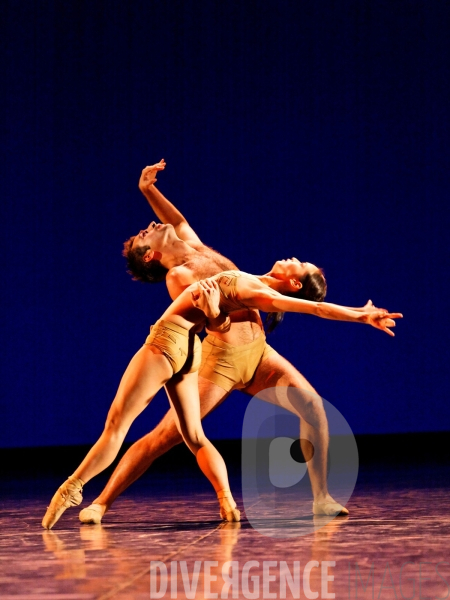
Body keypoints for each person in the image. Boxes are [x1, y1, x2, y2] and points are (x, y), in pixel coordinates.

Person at [75, 160, 398, 526]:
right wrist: (148, 190)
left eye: (300, 265)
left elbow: (314, 307)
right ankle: (101, 502)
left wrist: (149, 190)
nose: (294, 258)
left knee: (313, 408)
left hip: (259, 355)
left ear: (294, 282)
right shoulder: (182, 275)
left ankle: (321, 498)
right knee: (166, 436)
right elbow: (211, 322)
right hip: (221, 360)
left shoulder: (209, 257)